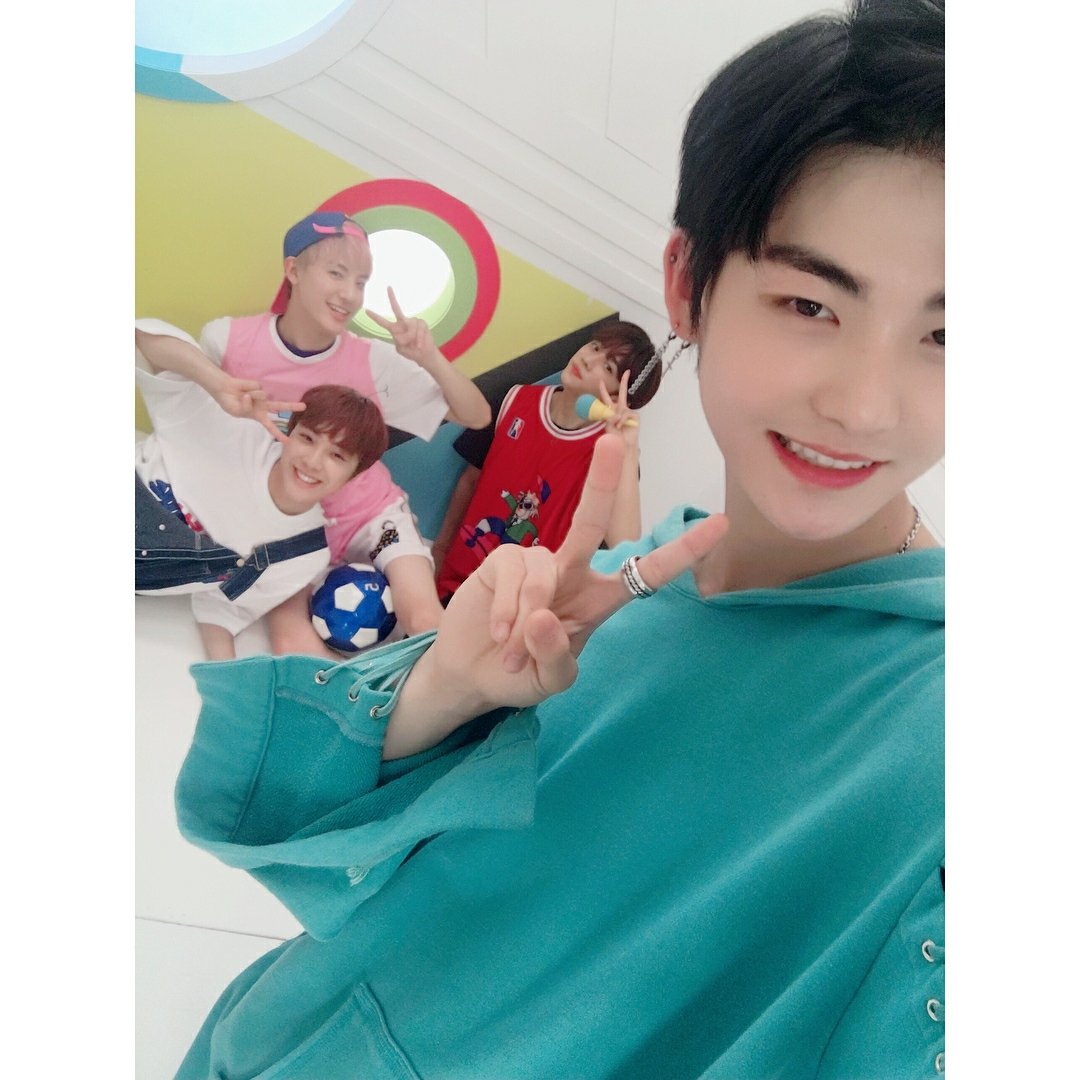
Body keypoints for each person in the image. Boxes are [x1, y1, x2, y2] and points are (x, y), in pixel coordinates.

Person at [174, 0, 945, 1074]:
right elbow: (287, 837)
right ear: (689, 286)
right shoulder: (611, 592)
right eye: (811, 305)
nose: (864, 405)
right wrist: (440, 692)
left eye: (954, 334)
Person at [136, 210, 491, 650]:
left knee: (424, 619)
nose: (349, 294)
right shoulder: (229, 340)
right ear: (294, 270)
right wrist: (217, 382)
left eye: (361, 282)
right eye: (336, 273)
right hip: (289, 529)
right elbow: (159, 361)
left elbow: (476, 416)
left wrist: (429, 357)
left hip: (368, 514)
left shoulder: (372, 361)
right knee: (290, 640)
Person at [135, 321, 388, 661]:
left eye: (337, 456)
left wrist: (225, 678)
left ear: (352, 476)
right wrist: (217, 382)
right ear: (289, 434)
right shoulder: (234, 430)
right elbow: (141, 338)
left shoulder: (304, 555)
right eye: (307, 438)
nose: (313, 461)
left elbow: (222, 609)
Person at [432, 320, 661, 601]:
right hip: (455, 584)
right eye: (595, 347)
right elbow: (470, 480)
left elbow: (624, 546)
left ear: (618, 395)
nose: (588, 359)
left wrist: (627, 446)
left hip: (521, 609)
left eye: (608, 367)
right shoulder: (514, 399)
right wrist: (440, 549)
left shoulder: (612, 454)